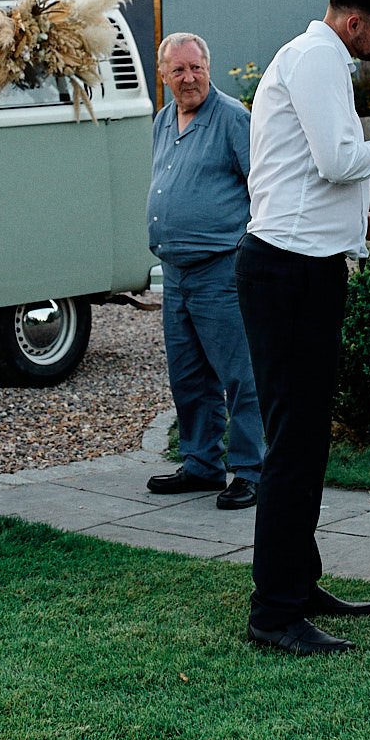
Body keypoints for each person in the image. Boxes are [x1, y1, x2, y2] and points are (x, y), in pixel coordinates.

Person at [238, 0, 370, 655]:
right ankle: (274, 612)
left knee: (307, 438)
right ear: (355, 22)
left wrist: (359, 223)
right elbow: (337, 157)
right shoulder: (318, 57)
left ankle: (299, 580)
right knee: (293, 444)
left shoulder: (318, 58)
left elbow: (306, 175)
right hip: (286, 274)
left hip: (301, 265)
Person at [143, 32, 264, 510]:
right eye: (179, 70)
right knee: (189, 376)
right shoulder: (162, 121)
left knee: (240, 375)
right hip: (176, 272)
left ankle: (250, 470)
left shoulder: (233, 119)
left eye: (196, 67)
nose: (189, 77)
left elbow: (264, 187)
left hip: (221, 268)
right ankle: (200, 463)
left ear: (209, 68)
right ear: (164, 76)